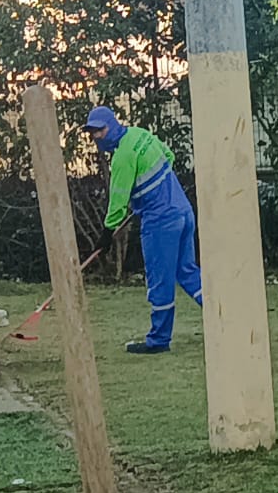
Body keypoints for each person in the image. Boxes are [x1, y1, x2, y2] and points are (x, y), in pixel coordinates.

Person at [84, 106, 202, 354]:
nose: (97, 137)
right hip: (183, 210)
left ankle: (158, 340)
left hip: (161, 222)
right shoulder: (140, 134)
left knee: (160, 280)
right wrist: (148, 193)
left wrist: (106, 236)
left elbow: (118, 201)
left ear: (112, 125)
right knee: (188, 271)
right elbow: (169, 157)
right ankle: (225, 316)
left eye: (100, 130)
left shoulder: (122, 157)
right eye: (93, 132)